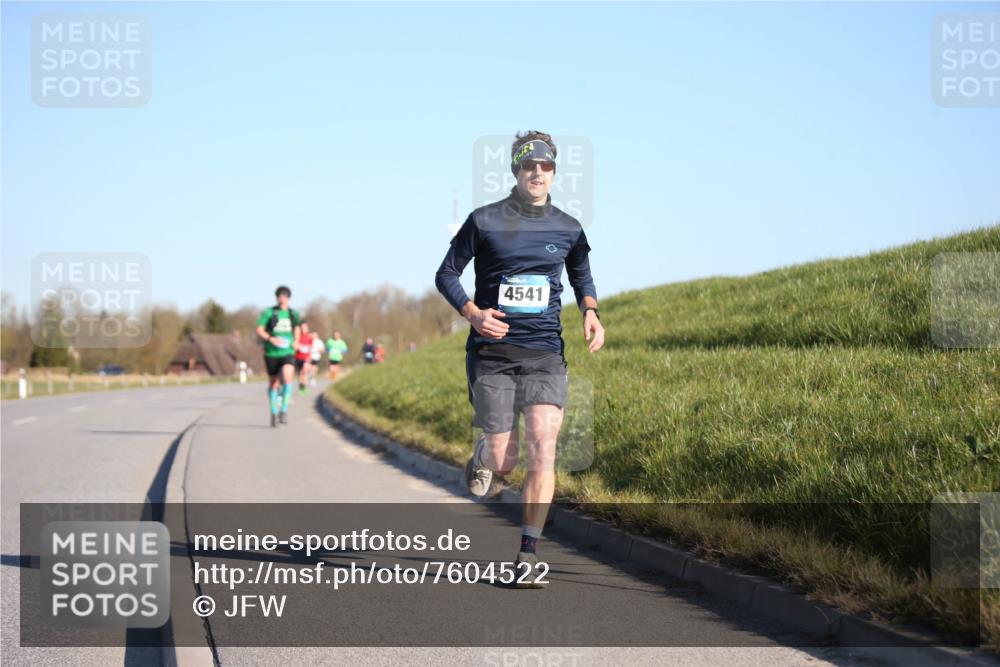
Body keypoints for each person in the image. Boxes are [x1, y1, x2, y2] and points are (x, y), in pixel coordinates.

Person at [435, 130, 605, 587]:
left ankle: (528, 553)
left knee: (544, 449)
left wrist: (590, 311)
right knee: (504, 459)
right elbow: (446, 272)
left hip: (546, 353)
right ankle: (484, 453)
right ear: (515, 170)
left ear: (553, 172)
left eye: (545, 166)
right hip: (492, 354)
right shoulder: (484, 220)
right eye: (529, 165)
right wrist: (472, 313)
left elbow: (581, 272)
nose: (537, 172)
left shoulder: (568, 227)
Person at [255, 286, 302, 427]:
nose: (282, 299)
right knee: (274, 383)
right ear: (276, 298)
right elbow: (259, 329)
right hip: (272, 353)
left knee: (287, 378)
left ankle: (284, 410)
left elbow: (297, 328)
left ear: (288, 298)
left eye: (285, 296)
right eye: (280, 296)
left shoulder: (293, 314)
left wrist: (297, 341)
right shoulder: (269, 313)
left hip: (287, 352)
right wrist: (270, 339)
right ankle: (274, 410)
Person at [294, 322, 315, 394]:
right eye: (302, 328)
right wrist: (298, 346)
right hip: (298, 357)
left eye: (305, 327)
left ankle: (305, 386)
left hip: (306, 357)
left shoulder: (309, 336)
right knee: (300, 373)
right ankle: (301, 386)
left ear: (307, 328)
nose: (303, 329)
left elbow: (311, 347)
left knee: (305, 371)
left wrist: (310, 356)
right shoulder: (298, 337)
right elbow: (295, 347)